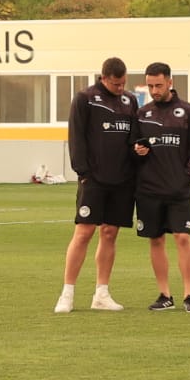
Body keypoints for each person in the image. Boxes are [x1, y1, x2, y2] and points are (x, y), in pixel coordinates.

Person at [55, 57, 139, 313]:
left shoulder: (130, 101)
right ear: (103, 78)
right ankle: (67, 293)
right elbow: (76, 137)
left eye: (123, 83)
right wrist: (83, 172)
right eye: (115, 84)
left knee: (110, 233)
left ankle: (101, 293)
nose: (120, 88)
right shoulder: (85, 99)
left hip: (123, 180)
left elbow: (133, 136)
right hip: (94, 179)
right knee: (84, 232)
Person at [131, 62, 190, 313]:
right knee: (155, 240)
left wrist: (185, 178)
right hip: (148, 190)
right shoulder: (142, 114)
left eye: (158, 85)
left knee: (183, 238)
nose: (154, 90)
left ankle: (189, 295)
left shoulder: (189, 113)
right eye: (150, 86)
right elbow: (134, 148)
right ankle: (165, 294)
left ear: (170, 82)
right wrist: (138, 151)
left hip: (178, 190)